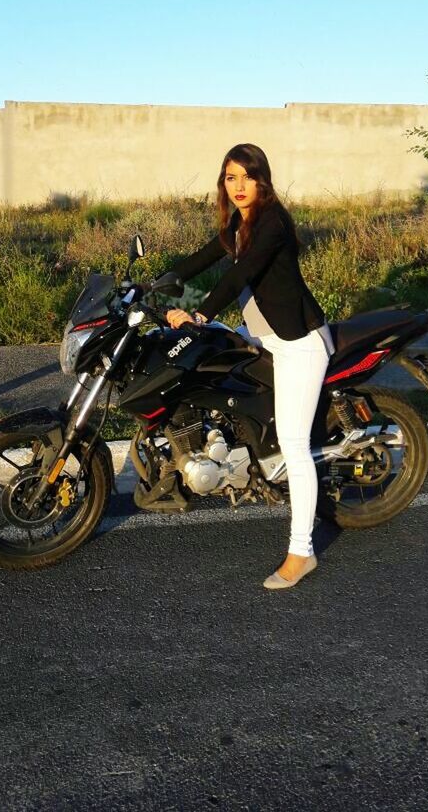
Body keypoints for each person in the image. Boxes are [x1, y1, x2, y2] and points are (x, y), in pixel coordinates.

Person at [166, 143, 334, 590]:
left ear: (263, 179)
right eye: (229, 177)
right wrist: (154, 286)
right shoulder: (239, 224)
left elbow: (238, 277)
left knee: (295, 445)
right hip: (263, 337)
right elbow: (202, 259)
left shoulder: (273, 223)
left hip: (298, 343)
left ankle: (302, 551)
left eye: (246, 176)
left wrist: (199, 313)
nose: (238, 186)